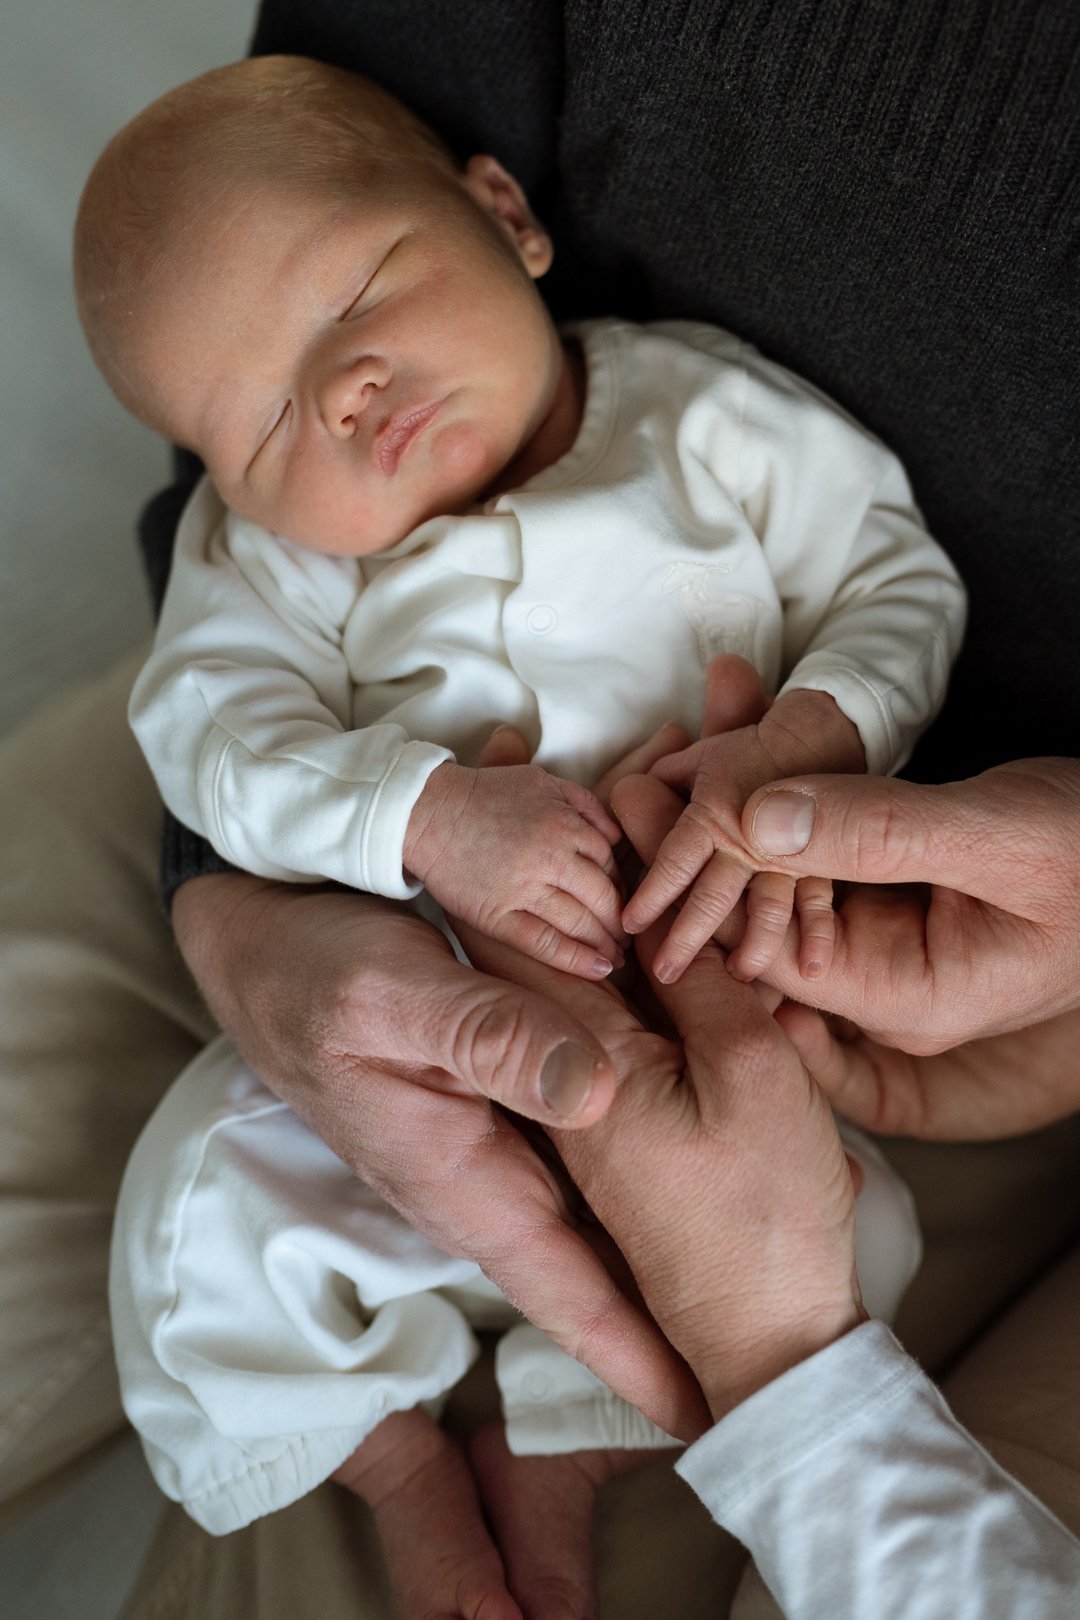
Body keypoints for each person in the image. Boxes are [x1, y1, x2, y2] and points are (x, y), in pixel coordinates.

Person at [2, 4, 1079, 1618]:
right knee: (202, 1208)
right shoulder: (274, 561)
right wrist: (417, 819)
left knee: (852, 1248)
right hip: (399, 1008)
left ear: (506, 216)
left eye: (355, 297)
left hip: (756, 1013)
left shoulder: (708, 422)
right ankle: (387, 1454)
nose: (349, 390)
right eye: (268, 418)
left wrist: (814, 728)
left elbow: (887, 575)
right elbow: (208, 730)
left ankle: (563, 1449)